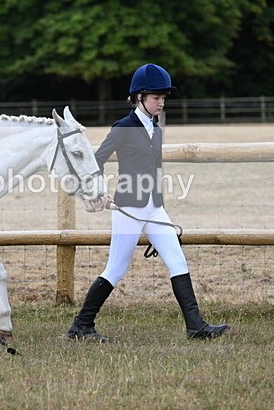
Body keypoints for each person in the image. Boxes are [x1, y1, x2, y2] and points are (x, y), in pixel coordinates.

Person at [67, 63, 230, 342]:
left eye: (164, 97)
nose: (161, 103)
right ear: (139, 97)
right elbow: (96, 162)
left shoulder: (155, 127)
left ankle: (196, 327)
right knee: (116, 268)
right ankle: (81, 326)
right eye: (156, 97)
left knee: (177, 260)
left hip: (154, 208)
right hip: (128, 209)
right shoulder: (122, 128)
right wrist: (93, 194)